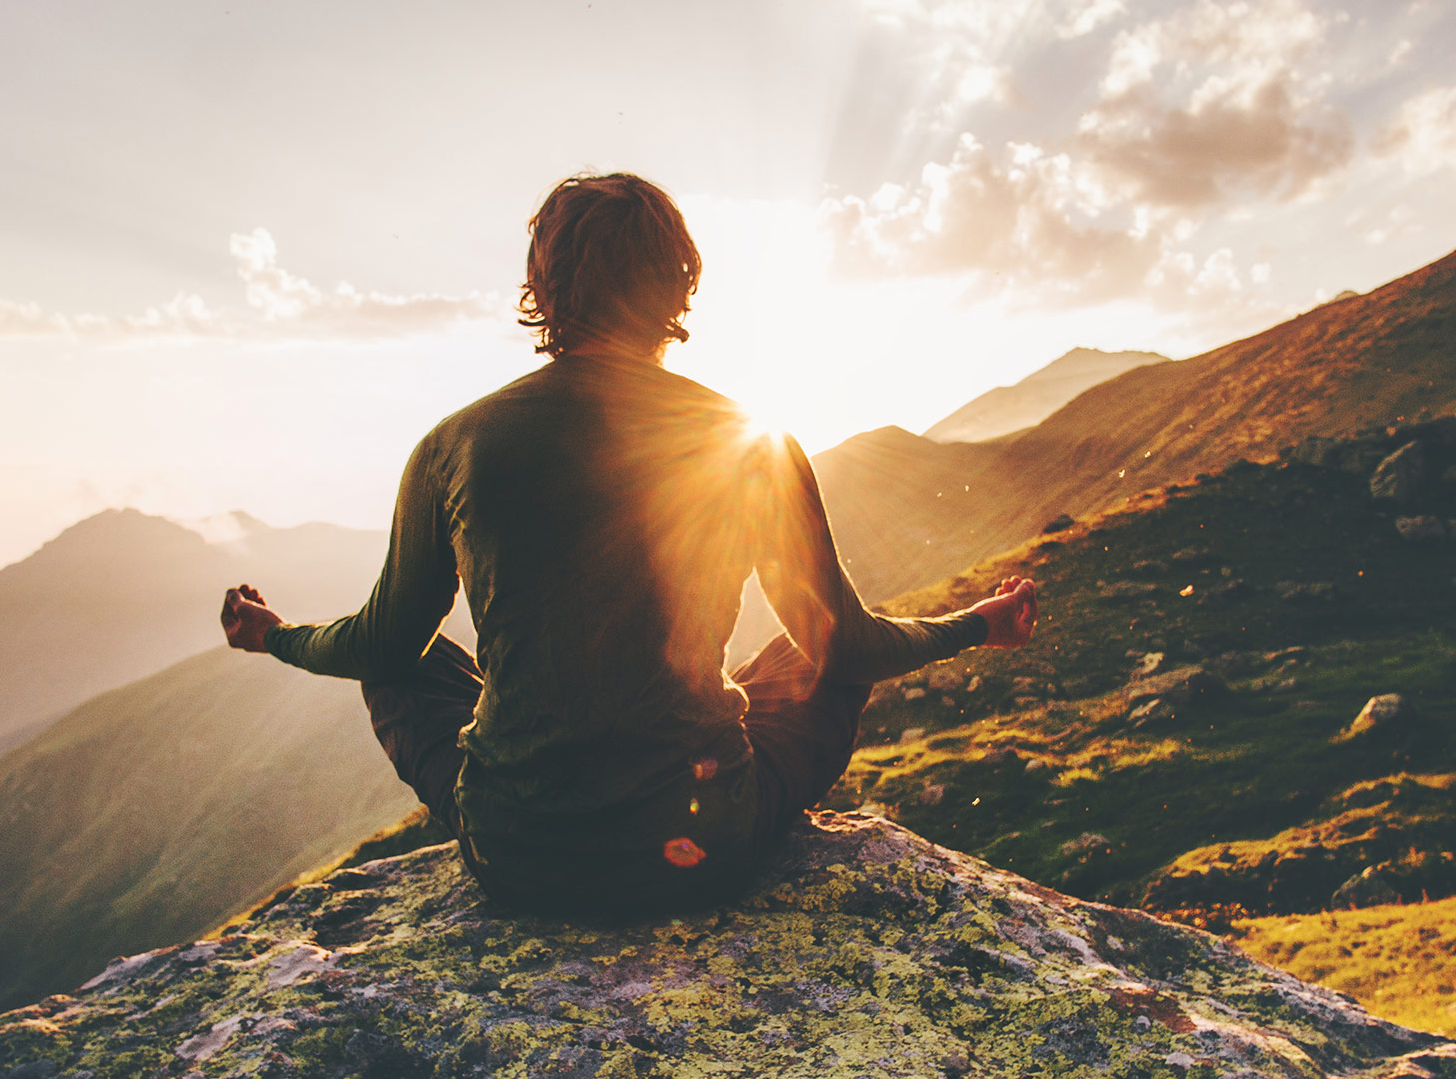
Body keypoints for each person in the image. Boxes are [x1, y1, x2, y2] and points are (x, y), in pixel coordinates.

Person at [221, 173, 1037, 918]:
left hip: (518, 859)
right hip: (699, 853)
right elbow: (851, 646)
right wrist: (977, 624)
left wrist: (275, 636)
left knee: (409, 659)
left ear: (543, 287)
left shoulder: (455, 444)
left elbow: (378, 643)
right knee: (810, 654)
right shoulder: (750, 440)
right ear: (679, 283)